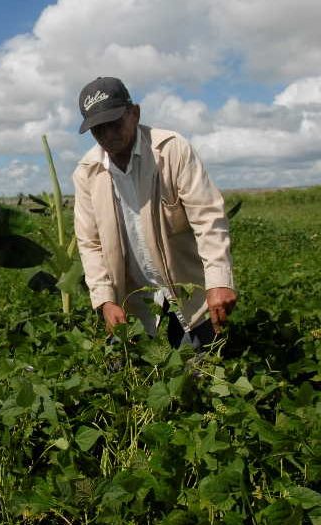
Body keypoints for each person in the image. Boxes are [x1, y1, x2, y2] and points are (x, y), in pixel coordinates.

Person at [72, 76, 237, 349]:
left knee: (201, 371)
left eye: (115, 123)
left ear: (134, 113)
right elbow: (90, 243)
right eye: (98, 129)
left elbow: (208, 217)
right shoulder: (87, 172)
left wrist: (219, 279)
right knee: (131, 376)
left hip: (188, 287)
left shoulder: (170, 150)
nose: (108, 135)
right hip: (132, 295)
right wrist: (105, 300)